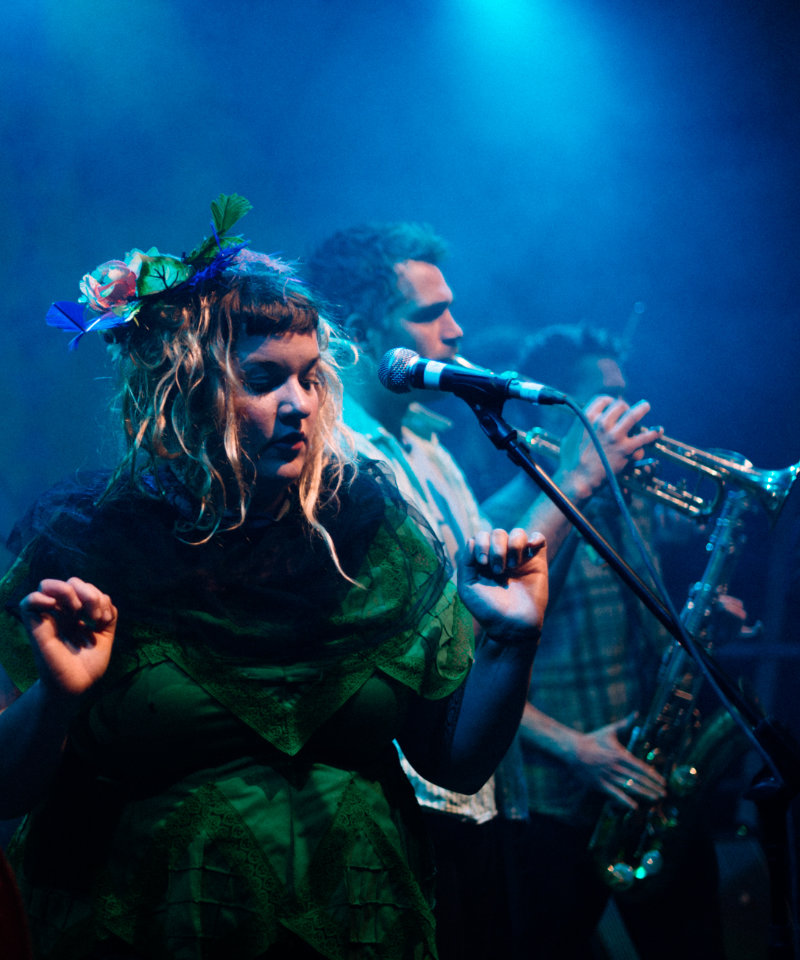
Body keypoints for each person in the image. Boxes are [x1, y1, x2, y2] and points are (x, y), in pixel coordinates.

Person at [0, 196, 550, 960]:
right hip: (160, 924)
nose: (299, 405)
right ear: (183, 388)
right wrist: (59, 697)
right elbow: (6, 787)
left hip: (361, 921)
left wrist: (508, 646)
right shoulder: (88, 544)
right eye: (263, 379)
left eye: (311, 378)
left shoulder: (368, 532)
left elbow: (452, 761)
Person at [304, 227, 661, 960]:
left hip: (481, 794)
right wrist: (578, 482)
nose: (455, 329)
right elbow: (447, 627)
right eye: (428, 313)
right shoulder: (339, 462)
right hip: (412, 802)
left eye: (451, 309)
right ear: (363, 331)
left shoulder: (431, 449)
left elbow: (499, 602)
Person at [483, 323, 729, 960]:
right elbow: (472, 669)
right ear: (562, 406)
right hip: (558, 798)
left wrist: (708, 615)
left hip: (654, 782)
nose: (628, 411)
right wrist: (578, 750)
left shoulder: (632, 503)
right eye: (606, 398)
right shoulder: (502, 514)